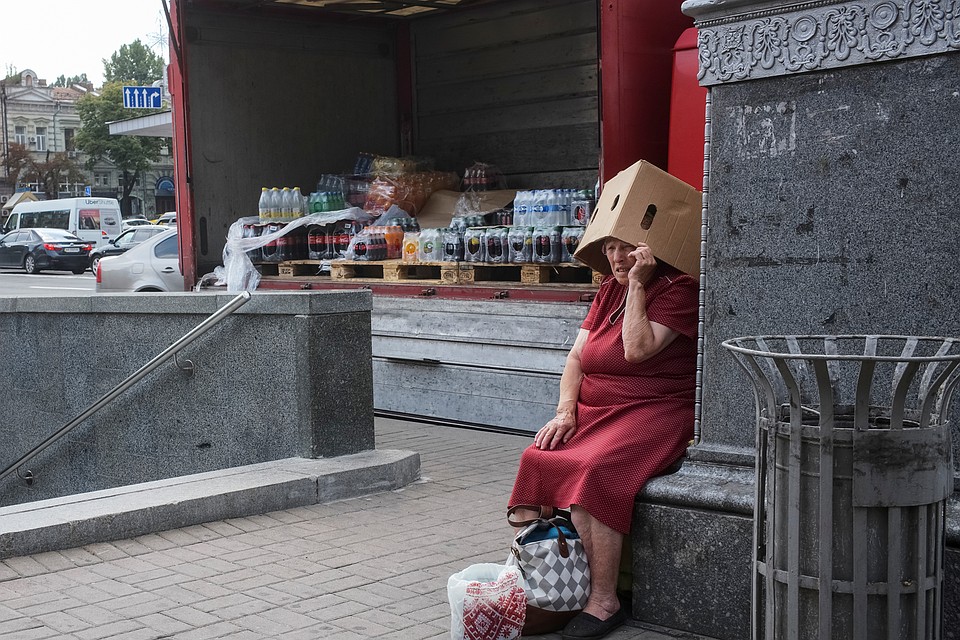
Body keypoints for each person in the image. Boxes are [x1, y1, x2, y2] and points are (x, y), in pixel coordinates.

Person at [508, 237, 698, 640]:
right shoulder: (608, 288)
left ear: (651, 248)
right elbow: (577, 357)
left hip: (653, 409)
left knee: (594, 470)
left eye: (626, 247)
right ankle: (546, 579)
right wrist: (565, 410)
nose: (616, 258)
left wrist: (637, 285)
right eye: (610, 247)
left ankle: (603, 600)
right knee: (536, 457)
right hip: (595, 410)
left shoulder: (678, 288)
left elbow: (637, 349)